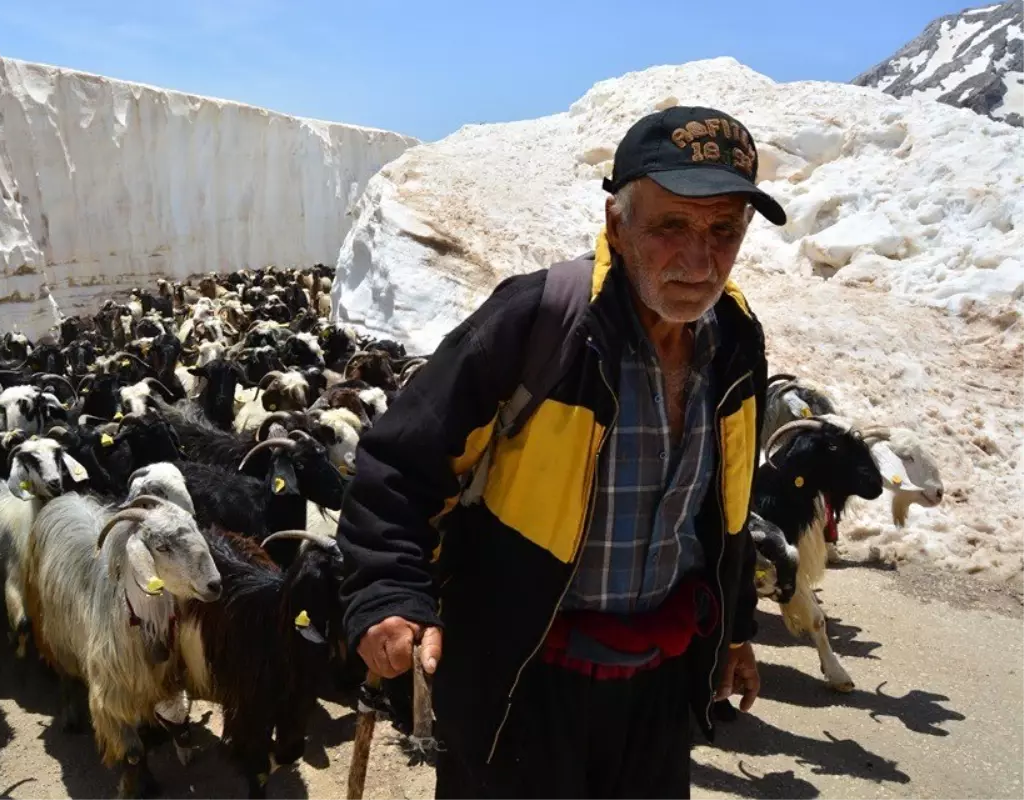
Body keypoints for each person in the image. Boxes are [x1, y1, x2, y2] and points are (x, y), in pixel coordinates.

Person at [334, 106, 787, 799]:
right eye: (671, 226)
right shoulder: (541, 320)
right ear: (617, 223)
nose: (700, 260)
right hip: (523, 685)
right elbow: (400, 463)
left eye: (724, 231)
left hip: (657, 693)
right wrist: (389, 592)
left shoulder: (736, 340)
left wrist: (731, 630)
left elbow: (725, 503)